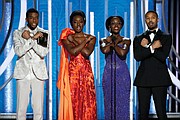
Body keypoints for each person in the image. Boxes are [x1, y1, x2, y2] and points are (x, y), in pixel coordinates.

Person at [57, 10, 97, 120]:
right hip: (73, 73)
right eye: (75, 22)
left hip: (86, 73)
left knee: (87, 102)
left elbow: (86, 53)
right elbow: (73, 52)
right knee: (73, 100)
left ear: (84, 22)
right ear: (71, 23)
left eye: (80, 22)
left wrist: (74, 41)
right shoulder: (66, 37)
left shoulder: (92, 38)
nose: (78, 25)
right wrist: (83, 41)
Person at [133, 10, 172, 120]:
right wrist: (152, 47)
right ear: (145, 20)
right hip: (143, 79)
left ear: (157, 19)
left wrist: (148, 47)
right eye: (148, 18)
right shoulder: (139, 38)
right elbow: (138, 56)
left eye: (153, 18)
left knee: (161, 112)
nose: (150, 20)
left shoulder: (166, 37)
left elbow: (162, 56)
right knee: (143, 113)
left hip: (160, 79)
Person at [13, 8, 49, 120]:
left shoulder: (44, 33)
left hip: (38, 74)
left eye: (36, 18)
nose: (34, 20)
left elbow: (43, 52)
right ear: (26, 19)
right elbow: (18, 51)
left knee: (38, 109)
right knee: (21, 109)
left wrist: (31, 38)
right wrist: (32, 39)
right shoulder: (18, 33)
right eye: (31, 17)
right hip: (22, 73)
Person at [100, 16, 131, 120]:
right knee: (109, 102)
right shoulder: (103, 40)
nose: (116, 25)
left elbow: (122, 53)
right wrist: (114, 44)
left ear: (121, 25)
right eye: (113, 23)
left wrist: (112, 44)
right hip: (109, 74)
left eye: (118, 23)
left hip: (122, 75)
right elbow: (104, 50)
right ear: (109, 26)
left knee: (122, 102)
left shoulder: (126, 40)